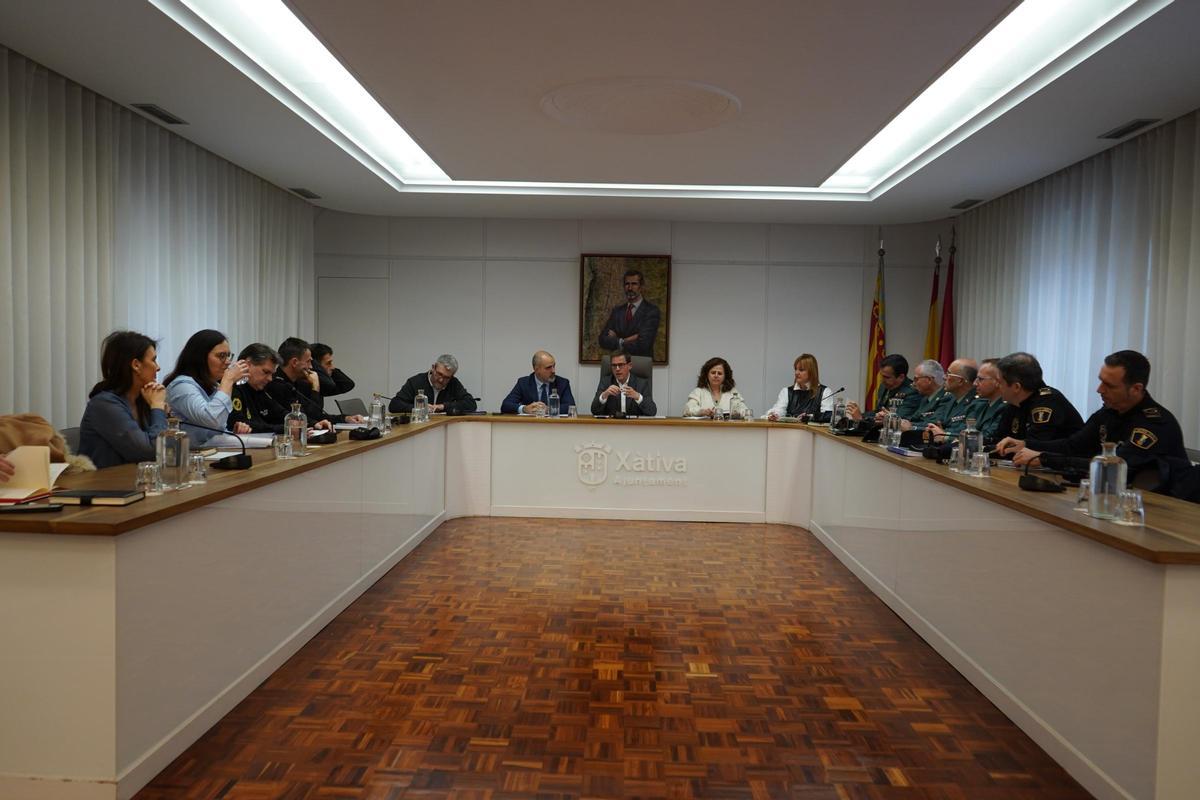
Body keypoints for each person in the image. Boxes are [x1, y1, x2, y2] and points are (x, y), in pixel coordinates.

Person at [996, 350, 1187, 483]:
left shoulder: (1153, 425)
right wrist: (1026, 445)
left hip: (1162, 507)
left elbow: (1114, 469)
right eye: (1100, 381)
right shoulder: (1108, 413)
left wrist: (1045, 458)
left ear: (1136, 389)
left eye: (1109, 385)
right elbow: (1073, 445)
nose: (1099, 390)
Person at [77, 331, 170, 469]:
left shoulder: (143, 399)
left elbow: (169, 451)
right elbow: (149, 453)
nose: (158, 367)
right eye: (153, 360)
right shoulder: (104, 404)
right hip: (103, 487)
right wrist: (157, 407)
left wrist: (161, 413)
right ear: (136, 365)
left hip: (137, 483)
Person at [164, 329, 252, 444]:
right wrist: (228, 380)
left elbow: (212, 429)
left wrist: (231, 433)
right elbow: (211, 419)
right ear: (200, 357)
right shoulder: (181, 386)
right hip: (185, 457)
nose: (228, 362)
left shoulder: (213, 385)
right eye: (221, 356)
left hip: (208, 454)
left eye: (228, 356)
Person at [266, 337, 363, 426]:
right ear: (295, 362)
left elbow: (317, 416)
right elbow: (310, 418)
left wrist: (346, 418)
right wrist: (315, 387)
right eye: (308, 361)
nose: (311, 367)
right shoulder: (276, 385)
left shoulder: (298, 382)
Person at [992, 351, 1084, 441]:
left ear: (1016, 387)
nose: (996, 386)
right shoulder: (1015, 404)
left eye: (1000, 382)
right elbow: (999, 440)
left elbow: (1033, 447)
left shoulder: (1047, 403)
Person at [928, 358, 1007, 444]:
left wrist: (946, 436)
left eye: (980, 379)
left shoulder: (1005, 408)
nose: (975, 383)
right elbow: (964, 430)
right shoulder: (979, 405)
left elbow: (987, 437)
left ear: (997, 382)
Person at [227, 344, 298, 434]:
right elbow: (243, 424)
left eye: (272, 374)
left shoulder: (260, 390)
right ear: (247, 365)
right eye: (266, 372)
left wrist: (309, 423)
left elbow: (282, 414)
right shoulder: (232, 388)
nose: (270, 379)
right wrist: (286, 428)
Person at [598, 269, 661, 358]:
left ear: (641, 286)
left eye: (634, 284)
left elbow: (643, 345)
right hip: (618, 365)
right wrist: (626, 340)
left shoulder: (651, 311)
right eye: (627, 284)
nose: (630, 288)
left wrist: (616, 339)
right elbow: (602, 340)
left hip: (641, 366)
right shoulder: (617, 311)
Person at [390, 354, 477, 414]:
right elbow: (394, 405)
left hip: (442, 429)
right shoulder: (415, 381)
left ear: (452, 376)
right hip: (418, 428)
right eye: (439, 374)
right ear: (433, 368)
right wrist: (419, 408)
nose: (441, 379)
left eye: (446, 377)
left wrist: (443, 406)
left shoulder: (453, 383)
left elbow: (471, 404)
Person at [846, 354, 920, 423]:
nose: (882, 380)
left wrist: (862, 419)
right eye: (882, 376)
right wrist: (860, 415)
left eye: (887, 377)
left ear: (901, 377)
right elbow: (878, 412)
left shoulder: (912, 392)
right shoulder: (884, 386)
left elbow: (898, 420)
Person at [501, 350, 576, 414]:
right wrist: (525, 409)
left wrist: (548, 409)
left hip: (555, 426)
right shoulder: (523, 383)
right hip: (530, 427)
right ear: (536, 369)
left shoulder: (562, 383)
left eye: (554, 366)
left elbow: (571, 407)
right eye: (548, 367)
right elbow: (506, 405)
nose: (553, 371)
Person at [765, 353, 834, 421]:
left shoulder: (825, 392)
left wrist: (809, 417)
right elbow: (779, 409)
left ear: (811, 372)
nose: (796, 373)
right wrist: (775, 414)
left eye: (801, 370)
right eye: (796, 369)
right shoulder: (786, 391)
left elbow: (827, 416)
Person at [921, 359, 978, 440]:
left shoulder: (976, 403)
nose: (944, 377)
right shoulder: (948, 399)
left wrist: (945, 434)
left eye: (948, 374)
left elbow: (966, 432)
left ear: (960, 381)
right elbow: (933, 422)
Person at [591, 350, 656, 416]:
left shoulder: (641, 384)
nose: (617, 369)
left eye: (621, 365)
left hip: (634, 425)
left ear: (630, 365)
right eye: (614, 365)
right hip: (612, 425)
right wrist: (604, 395)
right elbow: (594, 411)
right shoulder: (606, 382)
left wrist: (638, 396)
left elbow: (652, 412)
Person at [896, 359, 952, 432]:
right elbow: (914, 419)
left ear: (929, 380)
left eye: (916, 379)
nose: (913, 384)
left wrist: (911, 427)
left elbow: (934, 424)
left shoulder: (946, 398)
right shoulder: (925, 398)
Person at [684, 357, 749, 418]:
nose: (716, 375)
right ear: (707, 375)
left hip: (728, 428)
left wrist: (735, 413)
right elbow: (687, 410)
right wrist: (702, 412)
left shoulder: (733, 392)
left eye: (720, 373)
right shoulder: (698, 392)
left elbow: (745, 411)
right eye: (713, 372)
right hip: (704, 429)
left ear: (725, 377)